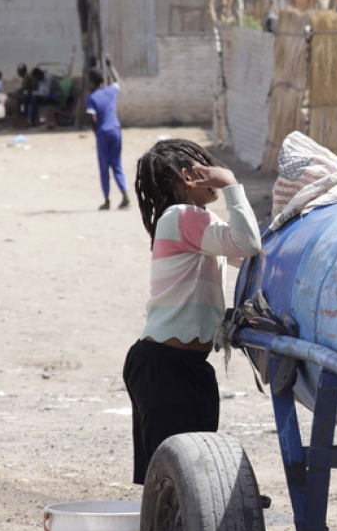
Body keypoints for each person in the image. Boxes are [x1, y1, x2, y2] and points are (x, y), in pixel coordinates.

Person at [123, 139, 262, 485]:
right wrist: (231, 184)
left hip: (186, 367)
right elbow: (249, 245)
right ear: (189, 176)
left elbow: (246, 256)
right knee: (174, 480)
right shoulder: (181, 217)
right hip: (164, 368)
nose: (213, 173)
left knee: (195, 478)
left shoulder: (195, 221)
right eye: (207, 166)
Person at [85, 62, 129, 210]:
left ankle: (107, 200)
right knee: (116, 164)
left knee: (104, 166)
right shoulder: (110, 91)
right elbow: (117, 81)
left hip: (103, 132)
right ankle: (125, 195)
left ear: (91, 82)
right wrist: (111, 66)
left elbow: (91, 118)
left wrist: (96, 132)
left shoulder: (91, 98)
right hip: (116, 130)